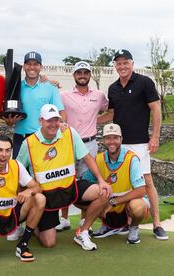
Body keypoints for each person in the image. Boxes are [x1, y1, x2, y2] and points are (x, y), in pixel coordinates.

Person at [17, 104, 112, 251]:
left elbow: (87, 157)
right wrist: (24, 195)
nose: (54, 124)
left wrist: (100, 179)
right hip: (46, 198)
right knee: (49, 242)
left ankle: (83, 231)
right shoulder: (28, 144)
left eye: (56, 120)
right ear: (41, 121)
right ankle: (33, 223)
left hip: (70, 187)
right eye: (49, 120)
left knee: (104, 192)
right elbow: (18, 172)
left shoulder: (69, 133)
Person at [98, 49, 168, 240]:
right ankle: (117, 224)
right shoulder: (113, 88)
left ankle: (157, 224)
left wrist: (155, 137)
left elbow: (156, 109)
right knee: (117, 182)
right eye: (118, 63)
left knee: (146, 182)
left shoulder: (144, 82)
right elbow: (111, 114)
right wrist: (88, 120)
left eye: (125, 62)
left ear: (132, 63)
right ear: (115, 66)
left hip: (139, 143)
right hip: (118, 143)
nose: (122, 66)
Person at [56, 61, 109, 231]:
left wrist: (95, 121)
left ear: (90, 75)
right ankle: (63, 218)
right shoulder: (63, 95)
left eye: (86, 73)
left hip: (90, 143)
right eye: (79, 73)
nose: (82, 76)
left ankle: (83, 218)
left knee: (86, 180)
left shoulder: (99, 95)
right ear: (74, 76)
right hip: (69, 143)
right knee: (67, 179)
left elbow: (110, 111)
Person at [83, 123, 149, 244]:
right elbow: (85, 182)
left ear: (121, 139)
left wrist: (113, 202)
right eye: (108, 138)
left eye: (115, 137)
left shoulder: (131, 159)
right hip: (107, 206)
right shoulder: (99, 159)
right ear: (103, 140)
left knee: (138, 207)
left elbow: (141, 190)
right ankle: (107, 226)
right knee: (80, 197)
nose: (111, 141)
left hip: (125, 206)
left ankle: (133, 228)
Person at [4, 51, 66, 159]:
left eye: (35, 64)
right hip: (20, 137)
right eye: (29, 64)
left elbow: (61, 113)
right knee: (20, 172)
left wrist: (57, 130)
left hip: (43, 137)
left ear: (40, 67)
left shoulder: (51, 87)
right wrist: (10, 122)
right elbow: (9, 119)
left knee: (42, 173)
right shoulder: (17, 87)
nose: (32, 67)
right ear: (23, 66)